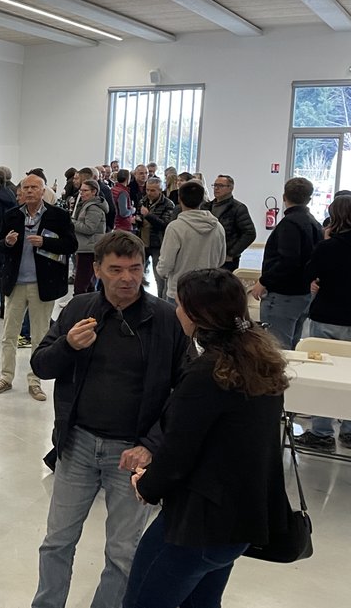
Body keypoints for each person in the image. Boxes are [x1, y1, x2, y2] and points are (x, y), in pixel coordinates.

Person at [29, 231, 192, 608]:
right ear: (98, 270)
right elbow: (41, 364)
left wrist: (151, 445)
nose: (127, 278)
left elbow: (186, 394)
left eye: (135, 269)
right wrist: (68, 345)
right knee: (57, 541)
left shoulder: (165, 319)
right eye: (116, 269)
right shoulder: (79, 308)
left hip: (132, 454)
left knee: (123, 551)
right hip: (78, 444)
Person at [124, 268, 289, 608]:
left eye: (181, 304)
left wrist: (147, 485)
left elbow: (177, 452)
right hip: (240, 522)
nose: (176, 310)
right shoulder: (261, 363)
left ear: (199, 315)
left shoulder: (207, 374)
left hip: (199, 525)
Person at [0, 175, 77, 402]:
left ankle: (35, 380)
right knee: (9, 334)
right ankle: (5, 377)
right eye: (26, 188)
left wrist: (45, 242)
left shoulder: (58, 216)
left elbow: (71, 245)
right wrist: (7, 243)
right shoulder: (12, 215)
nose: (29, 191)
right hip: (16, 283)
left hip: (43, 284)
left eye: (34, 188)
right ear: (20, 191)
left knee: (40, 336)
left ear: (42, 191)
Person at [297, 194, 351, 450]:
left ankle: (321, 432)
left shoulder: (328, 247)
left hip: (328, 313)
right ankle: (349, 430)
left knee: (323, 374)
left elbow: (310, 273)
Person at [250, 177, 323, 349]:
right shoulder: (314, 223)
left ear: (284, 197)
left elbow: (288, 260)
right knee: (291, 346)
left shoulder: (289, 224)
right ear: (309, 199)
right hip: (303, 293)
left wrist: (263, 281)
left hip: (283, 296)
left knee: (276, 348)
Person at [156, 181, 225, 304]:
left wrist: (161, 272)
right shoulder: (217, 226)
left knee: (177, 323)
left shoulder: (175, 227)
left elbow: (166, 262)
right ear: (202, 199)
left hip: (179, 292)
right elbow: (220, 259)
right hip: (207, 290)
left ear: (179, 198)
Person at [201, 175, 257, 270]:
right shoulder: (206, 207)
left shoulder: (238, 208)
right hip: (207, 256)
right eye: (215, 185)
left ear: (230, 188)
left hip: (227, 261)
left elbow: (250, 233)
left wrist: (231, 253)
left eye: (221, 186)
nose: (216, 188)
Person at [135, 177, 175, 298]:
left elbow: (165, 225)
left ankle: (160, 299)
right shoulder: (143, 201)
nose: (149, 193)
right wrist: (137, 220)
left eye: (153, 190)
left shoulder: (168, 204)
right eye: (147, 190)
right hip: (143, 242)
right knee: (137, 272)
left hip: (158, 243)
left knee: (159, 276)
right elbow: (140, 218)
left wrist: (148, 215)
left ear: (160, 190)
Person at [71, 179, 109, 296]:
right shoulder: (86, 205)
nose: (81, 193)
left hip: (89, 249)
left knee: (81, 284)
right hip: (85, 247)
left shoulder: (94, 208)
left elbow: (89, 229)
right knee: (89, 283)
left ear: (94, 192)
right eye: (81, 190)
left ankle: (80, 308)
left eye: (85, 190)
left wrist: (72, 223)